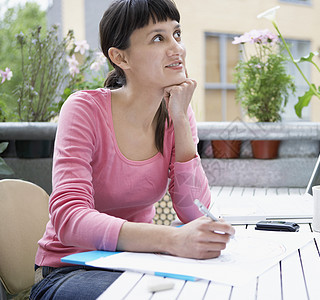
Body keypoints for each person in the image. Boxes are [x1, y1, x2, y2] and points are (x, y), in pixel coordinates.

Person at [30, 0, 234, 298]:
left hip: (135, 264)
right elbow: (69, 218)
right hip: (68, 271)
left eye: (177, 34)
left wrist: (180, 118)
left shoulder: (177, 112)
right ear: (120, 57)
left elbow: (193, 212)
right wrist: (170, 240)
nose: (176, 48)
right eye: (158, 38)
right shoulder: (84, 109)